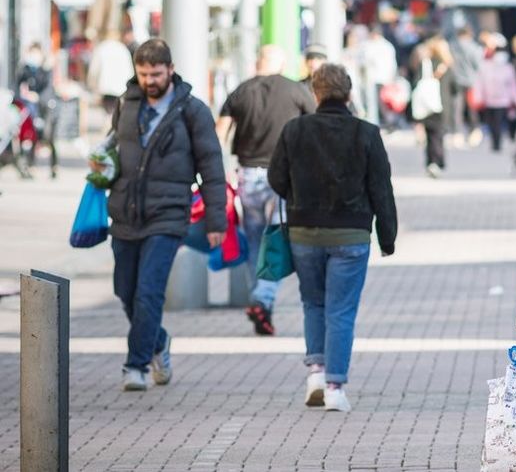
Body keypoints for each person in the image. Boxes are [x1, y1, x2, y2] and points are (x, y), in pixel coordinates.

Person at [91, 39, 227, 392]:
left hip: (168, 215)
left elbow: (212, 166)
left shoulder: (192, 111)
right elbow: (111, 144)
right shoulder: (127, 103)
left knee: (149, 292)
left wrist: (216, 221)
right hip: (124, 212)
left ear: (170, 69)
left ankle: (135, 367)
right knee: (125, 291)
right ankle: (159, 342)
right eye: (143, 73)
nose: (150, 80)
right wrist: (99, 160)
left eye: (156, 73)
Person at [268, 63, 398, 413]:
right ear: (350, 94)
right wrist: (387, 237)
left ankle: (315, 372)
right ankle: (335, 387)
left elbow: (276, 179)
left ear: (315, 93)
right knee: (341, 310)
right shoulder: (367, 133)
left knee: (313, 303)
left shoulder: (295, 130)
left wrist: (299, 194)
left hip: (304, 232)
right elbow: (380, 189)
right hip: (351, 233)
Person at [216, 45, 318, 335]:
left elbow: (219, 133)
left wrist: (218, 172)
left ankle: (260, 302)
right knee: (276, 241)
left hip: (247, 175)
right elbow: (314, 128)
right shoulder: (296, 91)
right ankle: (263, 299)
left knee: (255, 243)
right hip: (284, 177)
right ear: (282, 64)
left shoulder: (240, 91)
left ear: (257, 62)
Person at [409, 37, 453, 177]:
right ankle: (438, 161)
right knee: (438, 136)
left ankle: (431, 162)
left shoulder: (425, 64)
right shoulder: (446, 65)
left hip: (426, 106)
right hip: (442, 105)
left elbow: (415, 83)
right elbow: (455, 87)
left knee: (430, 136)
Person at [473, 34, 516, 152]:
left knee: (498, 121)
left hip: (503, 100)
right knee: (491, 122)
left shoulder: (508, 68)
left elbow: (513, 85)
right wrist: (479, 97)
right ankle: (494, 141)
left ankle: (498, 143)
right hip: (489, 100)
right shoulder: (485, 66)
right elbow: (480, 83)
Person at [16, 43, 58, 177]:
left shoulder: (46, 71)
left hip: (46, 109)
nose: (33, 57)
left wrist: (37, 97)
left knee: (48, 137)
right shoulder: (24, 70)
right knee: (30, 137)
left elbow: (49, 90)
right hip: (29, 110)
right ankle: (29, 166)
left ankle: (53, 166)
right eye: (31, 53)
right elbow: (16, 87)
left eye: (36, 53)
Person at [448, 25, 485, 147]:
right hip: (471, 81)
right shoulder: (474, 48)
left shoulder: (451, 46)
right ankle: (474, 132)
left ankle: (457, 134)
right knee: (471, 108)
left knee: (456, 108)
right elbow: (478, 65)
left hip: (456, 80)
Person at [362, 25, 398, 127]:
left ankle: (385, 120)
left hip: (376, 77)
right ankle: (387, 120)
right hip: (382, 77)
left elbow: (366, 59)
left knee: (377, 101)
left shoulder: (373, 46)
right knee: (380, 101)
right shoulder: (387, 46)